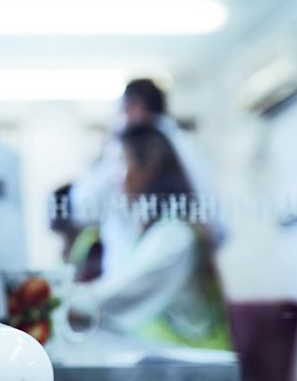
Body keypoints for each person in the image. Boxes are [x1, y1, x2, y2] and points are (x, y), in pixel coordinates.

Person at [67, 125, 231, 350]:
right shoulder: (156, 229)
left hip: (190, 365)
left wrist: (51, 300)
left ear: (149, 166)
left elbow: (113, 296)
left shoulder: (174, 234)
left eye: (122, 161)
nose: (114, 176)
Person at [69, 79, 224, 277]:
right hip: (170, 275)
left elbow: (81, 208)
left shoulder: (121, 151)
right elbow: (217, 226)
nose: (119, 177)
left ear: (135, 107)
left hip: (140, 277)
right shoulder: (190, 147)